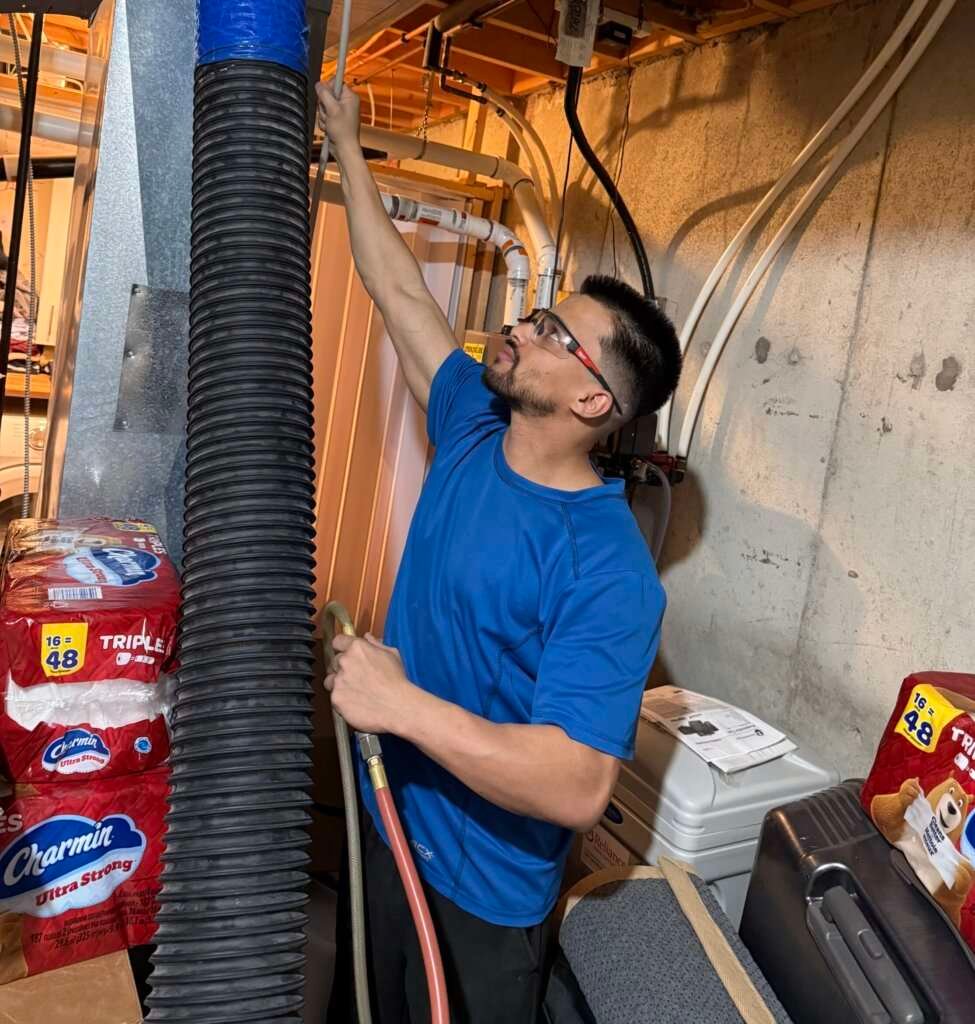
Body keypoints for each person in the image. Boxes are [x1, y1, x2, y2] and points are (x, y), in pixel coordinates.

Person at [317, 79, 682, 1023]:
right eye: (538, 315)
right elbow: (398, 290)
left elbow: (576, 782)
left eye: (553, 333)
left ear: (594, 401)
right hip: (387, 817)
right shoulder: (473, 424)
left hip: (481, 895)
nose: (521, 327)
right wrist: (348, 142)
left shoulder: (607, 570)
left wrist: (399, 706)